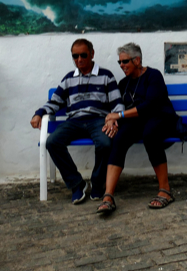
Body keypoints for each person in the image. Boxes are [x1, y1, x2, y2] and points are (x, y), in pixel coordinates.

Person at [30, 38, 123, 205]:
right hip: (74, 121)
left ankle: (97, 183)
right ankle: (76, 184)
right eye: (75, 56)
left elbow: (117, 103)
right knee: (52, 142)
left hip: (98, 120)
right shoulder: (68, 78)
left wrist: (113, 118)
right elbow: (55, 101)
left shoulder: (106, 76)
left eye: (83, 55)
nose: (79, 60)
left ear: (92, 54)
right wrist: (39, 113)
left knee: (105, 143)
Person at [96, 43, 179, 214]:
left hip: (160, 117)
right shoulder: (124, 83)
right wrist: (112, 119)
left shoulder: (153, 76)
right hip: (137, 121)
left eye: (125, 61)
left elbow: (151, 106)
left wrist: (119, 116)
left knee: (150, 135)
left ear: (137, 60)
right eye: (120, 62)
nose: (121, 66)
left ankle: (165, 190)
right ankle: (108, 195)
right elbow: (116, 106)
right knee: (119, 138)